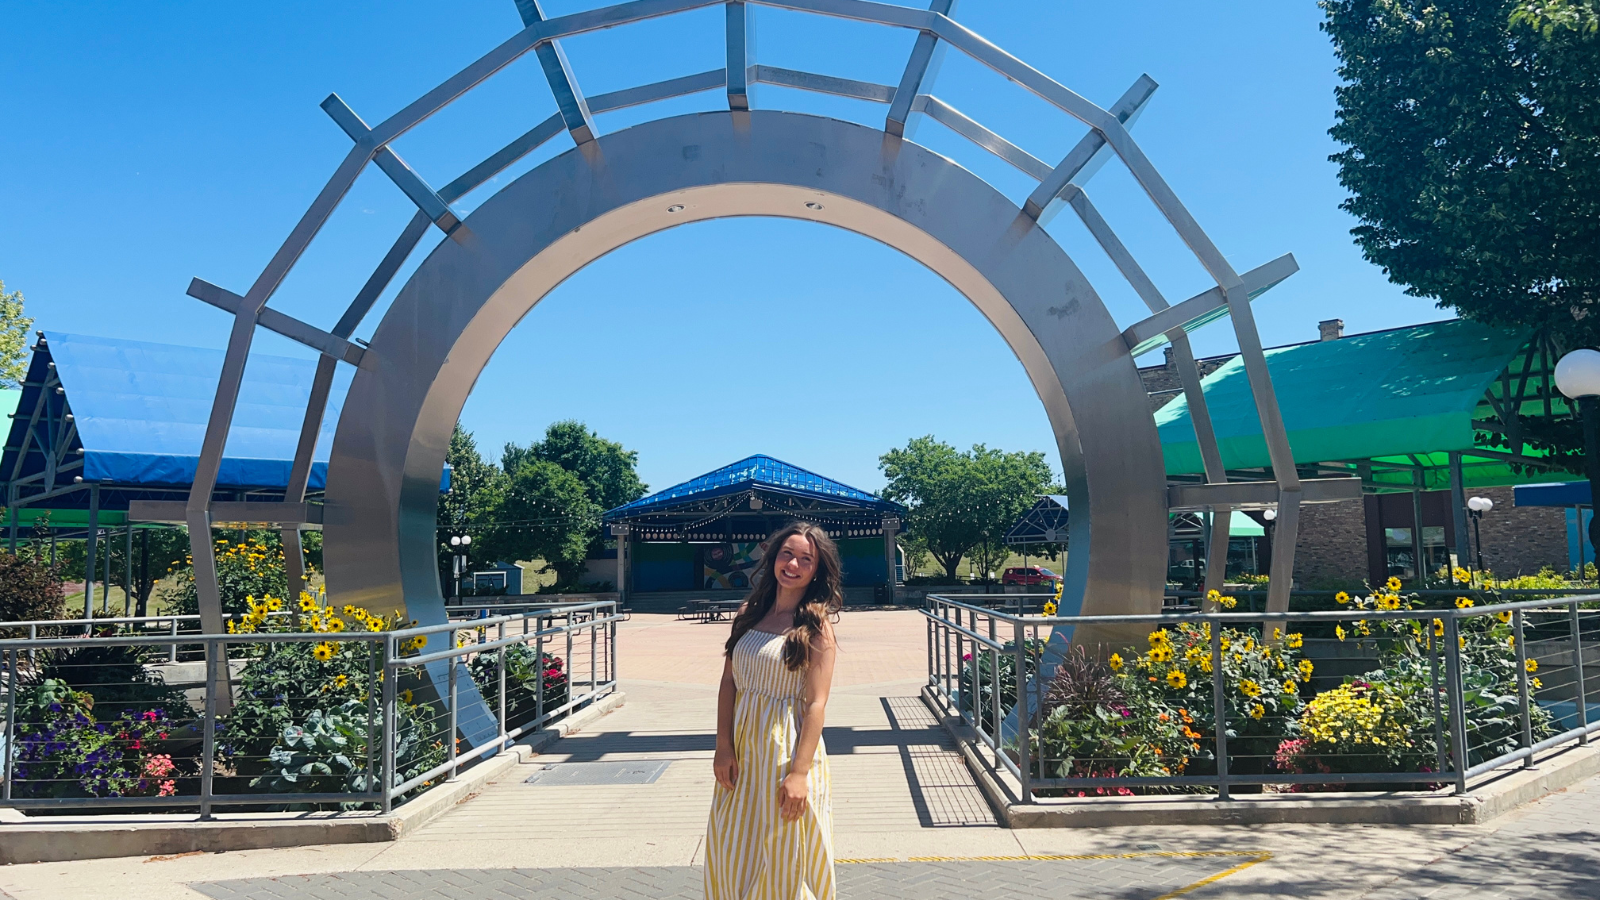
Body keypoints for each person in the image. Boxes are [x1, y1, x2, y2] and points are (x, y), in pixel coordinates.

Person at [704, 521, 841, 900]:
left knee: (784, 853)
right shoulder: (749, 612)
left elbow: (816, 704)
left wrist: (799, 774)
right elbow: (729, 682)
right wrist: (723, 745)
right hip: (743, 753)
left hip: (786, 754)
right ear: (774, 557)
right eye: (787, 554)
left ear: (817, 570)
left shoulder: (816, 627)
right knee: (732, 845)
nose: (793, 564)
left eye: (805, 559)